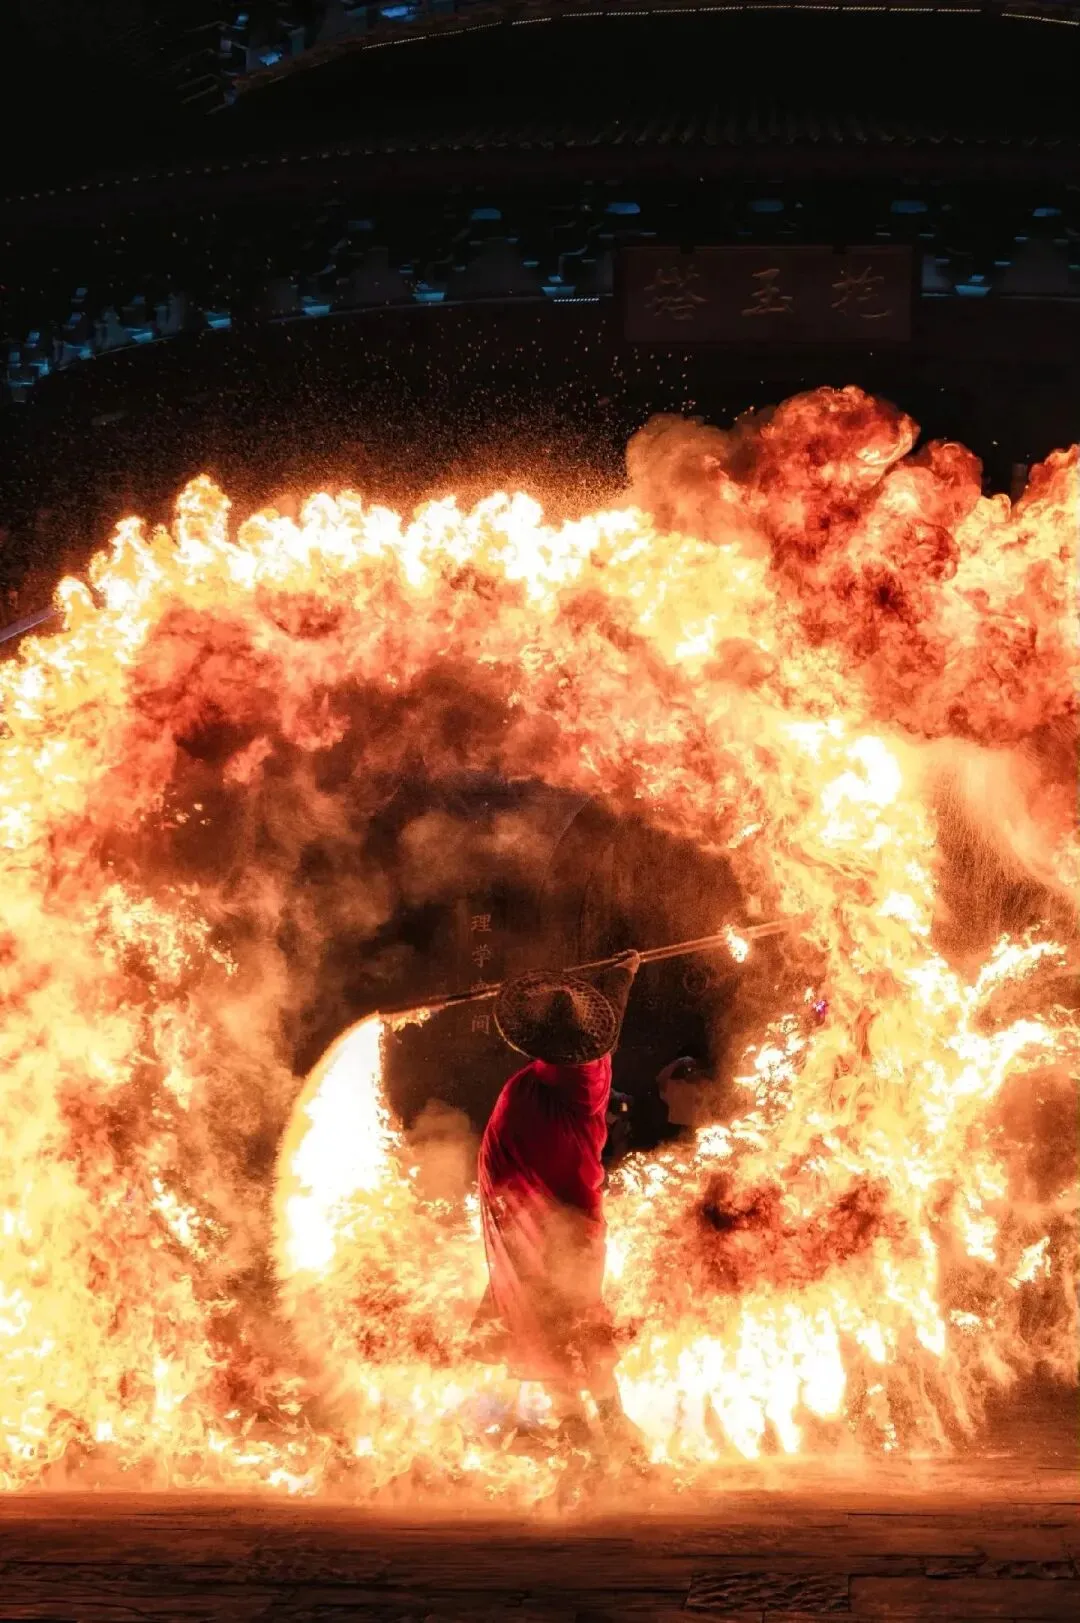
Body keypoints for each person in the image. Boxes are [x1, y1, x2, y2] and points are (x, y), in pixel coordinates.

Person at [470, 950, 643, 1457]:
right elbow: (607, 1025)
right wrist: (620, 975)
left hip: (561, 1220)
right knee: (541, 1314)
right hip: (532, 1214)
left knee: (574, 1316)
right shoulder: (573, 1070)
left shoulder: (580, 1079)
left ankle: (609, 1424)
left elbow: (606, 1028)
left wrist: (620, 977)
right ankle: (575, 1425)